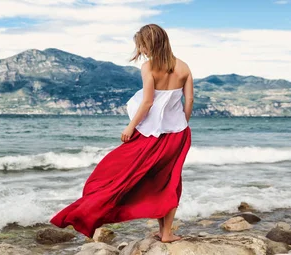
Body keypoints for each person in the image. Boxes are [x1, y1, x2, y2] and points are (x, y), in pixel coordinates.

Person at [50, 24, 194, 243]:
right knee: (170, 181)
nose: (142, 51)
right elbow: (189, 100)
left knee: (119, 174)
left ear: (151, 43)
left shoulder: (149, 67)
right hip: (178, 134)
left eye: (142, 46)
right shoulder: (184, 67)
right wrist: (182, 125)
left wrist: (130, 127)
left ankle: (88, 210)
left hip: (150, 134)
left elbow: (147, 101)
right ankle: (165, 233)